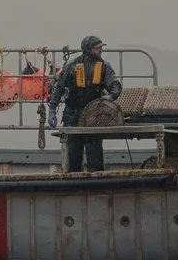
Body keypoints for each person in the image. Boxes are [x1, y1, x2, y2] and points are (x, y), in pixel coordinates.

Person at [48, 35, 123, 171]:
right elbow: (59, 88)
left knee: (94, 152)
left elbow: (115, 85)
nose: (100, 50)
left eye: (101, 47)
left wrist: (111, 96)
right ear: (88, 49)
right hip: (72, 114)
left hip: (94, 115)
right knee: (73, 153)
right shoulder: (72, 65)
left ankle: (97, 183)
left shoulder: (104, 66)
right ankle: (73, 182)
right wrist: (52, 109)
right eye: (97, 48)